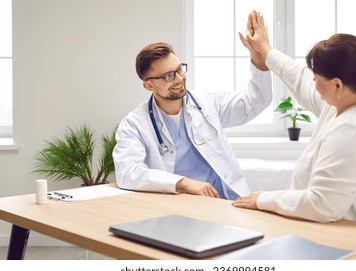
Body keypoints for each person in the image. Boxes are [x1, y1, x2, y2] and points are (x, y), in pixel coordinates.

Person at [233, 11, 356, 226]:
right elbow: (298, 77)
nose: (313, 82)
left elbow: (322, 204)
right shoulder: (352, 101)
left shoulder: (354, 129)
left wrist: (262, 199)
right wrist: (266, 50)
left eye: (317, 77)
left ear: (337, 85)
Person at [112, 39, 272, 199]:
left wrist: (259, 61)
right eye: (168, 76)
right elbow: (127, 172)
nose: (179, 78)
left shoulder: (207, 103)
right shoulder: (135, 124)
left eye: (180, 69)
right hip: (185, 205)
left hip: (229, 199)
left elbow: (254, 102)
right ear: (149, 86)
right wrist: (182, 182)